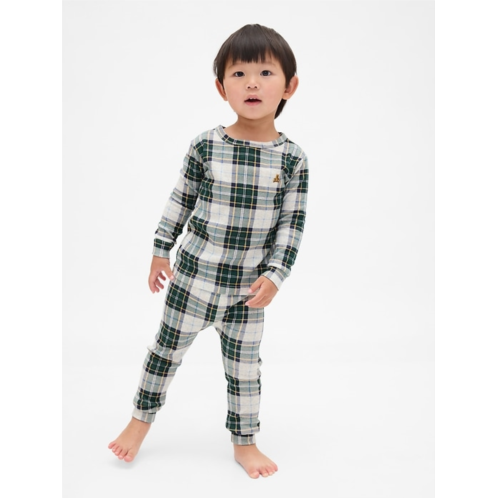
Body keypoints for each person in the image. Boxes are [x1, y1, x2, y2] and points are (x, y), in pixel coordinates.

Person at [108, 23, 309, 479]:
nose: (252, 83)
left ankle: (245, 442)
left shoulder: (293, 158)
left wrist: (276, 275)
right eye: (239, 74)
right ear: (221, 87)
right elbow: (179, 200)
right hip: (193, 281)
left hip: (247, 293)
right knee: (164, 353)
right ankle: (139, 423)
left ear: (289, 86)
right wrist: (160, 250)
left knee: (245, 371)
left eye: (265, 73)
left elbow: (292, 225)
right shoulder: (206, 145)